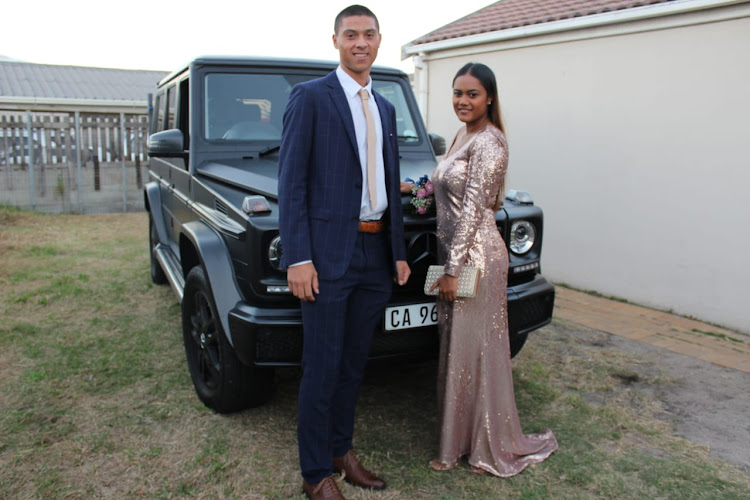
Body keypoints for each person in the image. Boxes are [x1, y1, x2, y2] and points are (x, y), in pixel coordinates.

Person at [277, 5, 411, 499]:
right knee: (322, 366)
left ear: (380, 41)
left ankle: (341, 451)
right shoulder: (311, 98)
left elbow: (387, 186)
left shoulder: (386, 107)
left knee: (355, 363)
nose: (360, 42)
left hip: (375, 254)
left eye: (368, 34)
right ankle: (316, 473)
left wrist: (397, 251)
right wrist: (298, 257)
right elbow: (291, 183)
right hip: (327, 256)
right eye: (350, 35)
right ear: (335, 41)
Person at [428, 62, 558, 477]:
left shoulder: (490, 142)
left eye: (472, 94)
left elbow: (471, 210)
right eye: (457, 93)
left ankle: (477, 446)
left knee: (474, 351)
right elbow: (449, 187)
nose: (462, 101)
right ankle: (460, 439)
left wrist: (451, 268)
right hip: (459, 254)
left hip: (477, 256)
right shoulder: (462, 135)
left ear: (489, 99)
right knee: (458, 348)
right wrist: (415, 189)